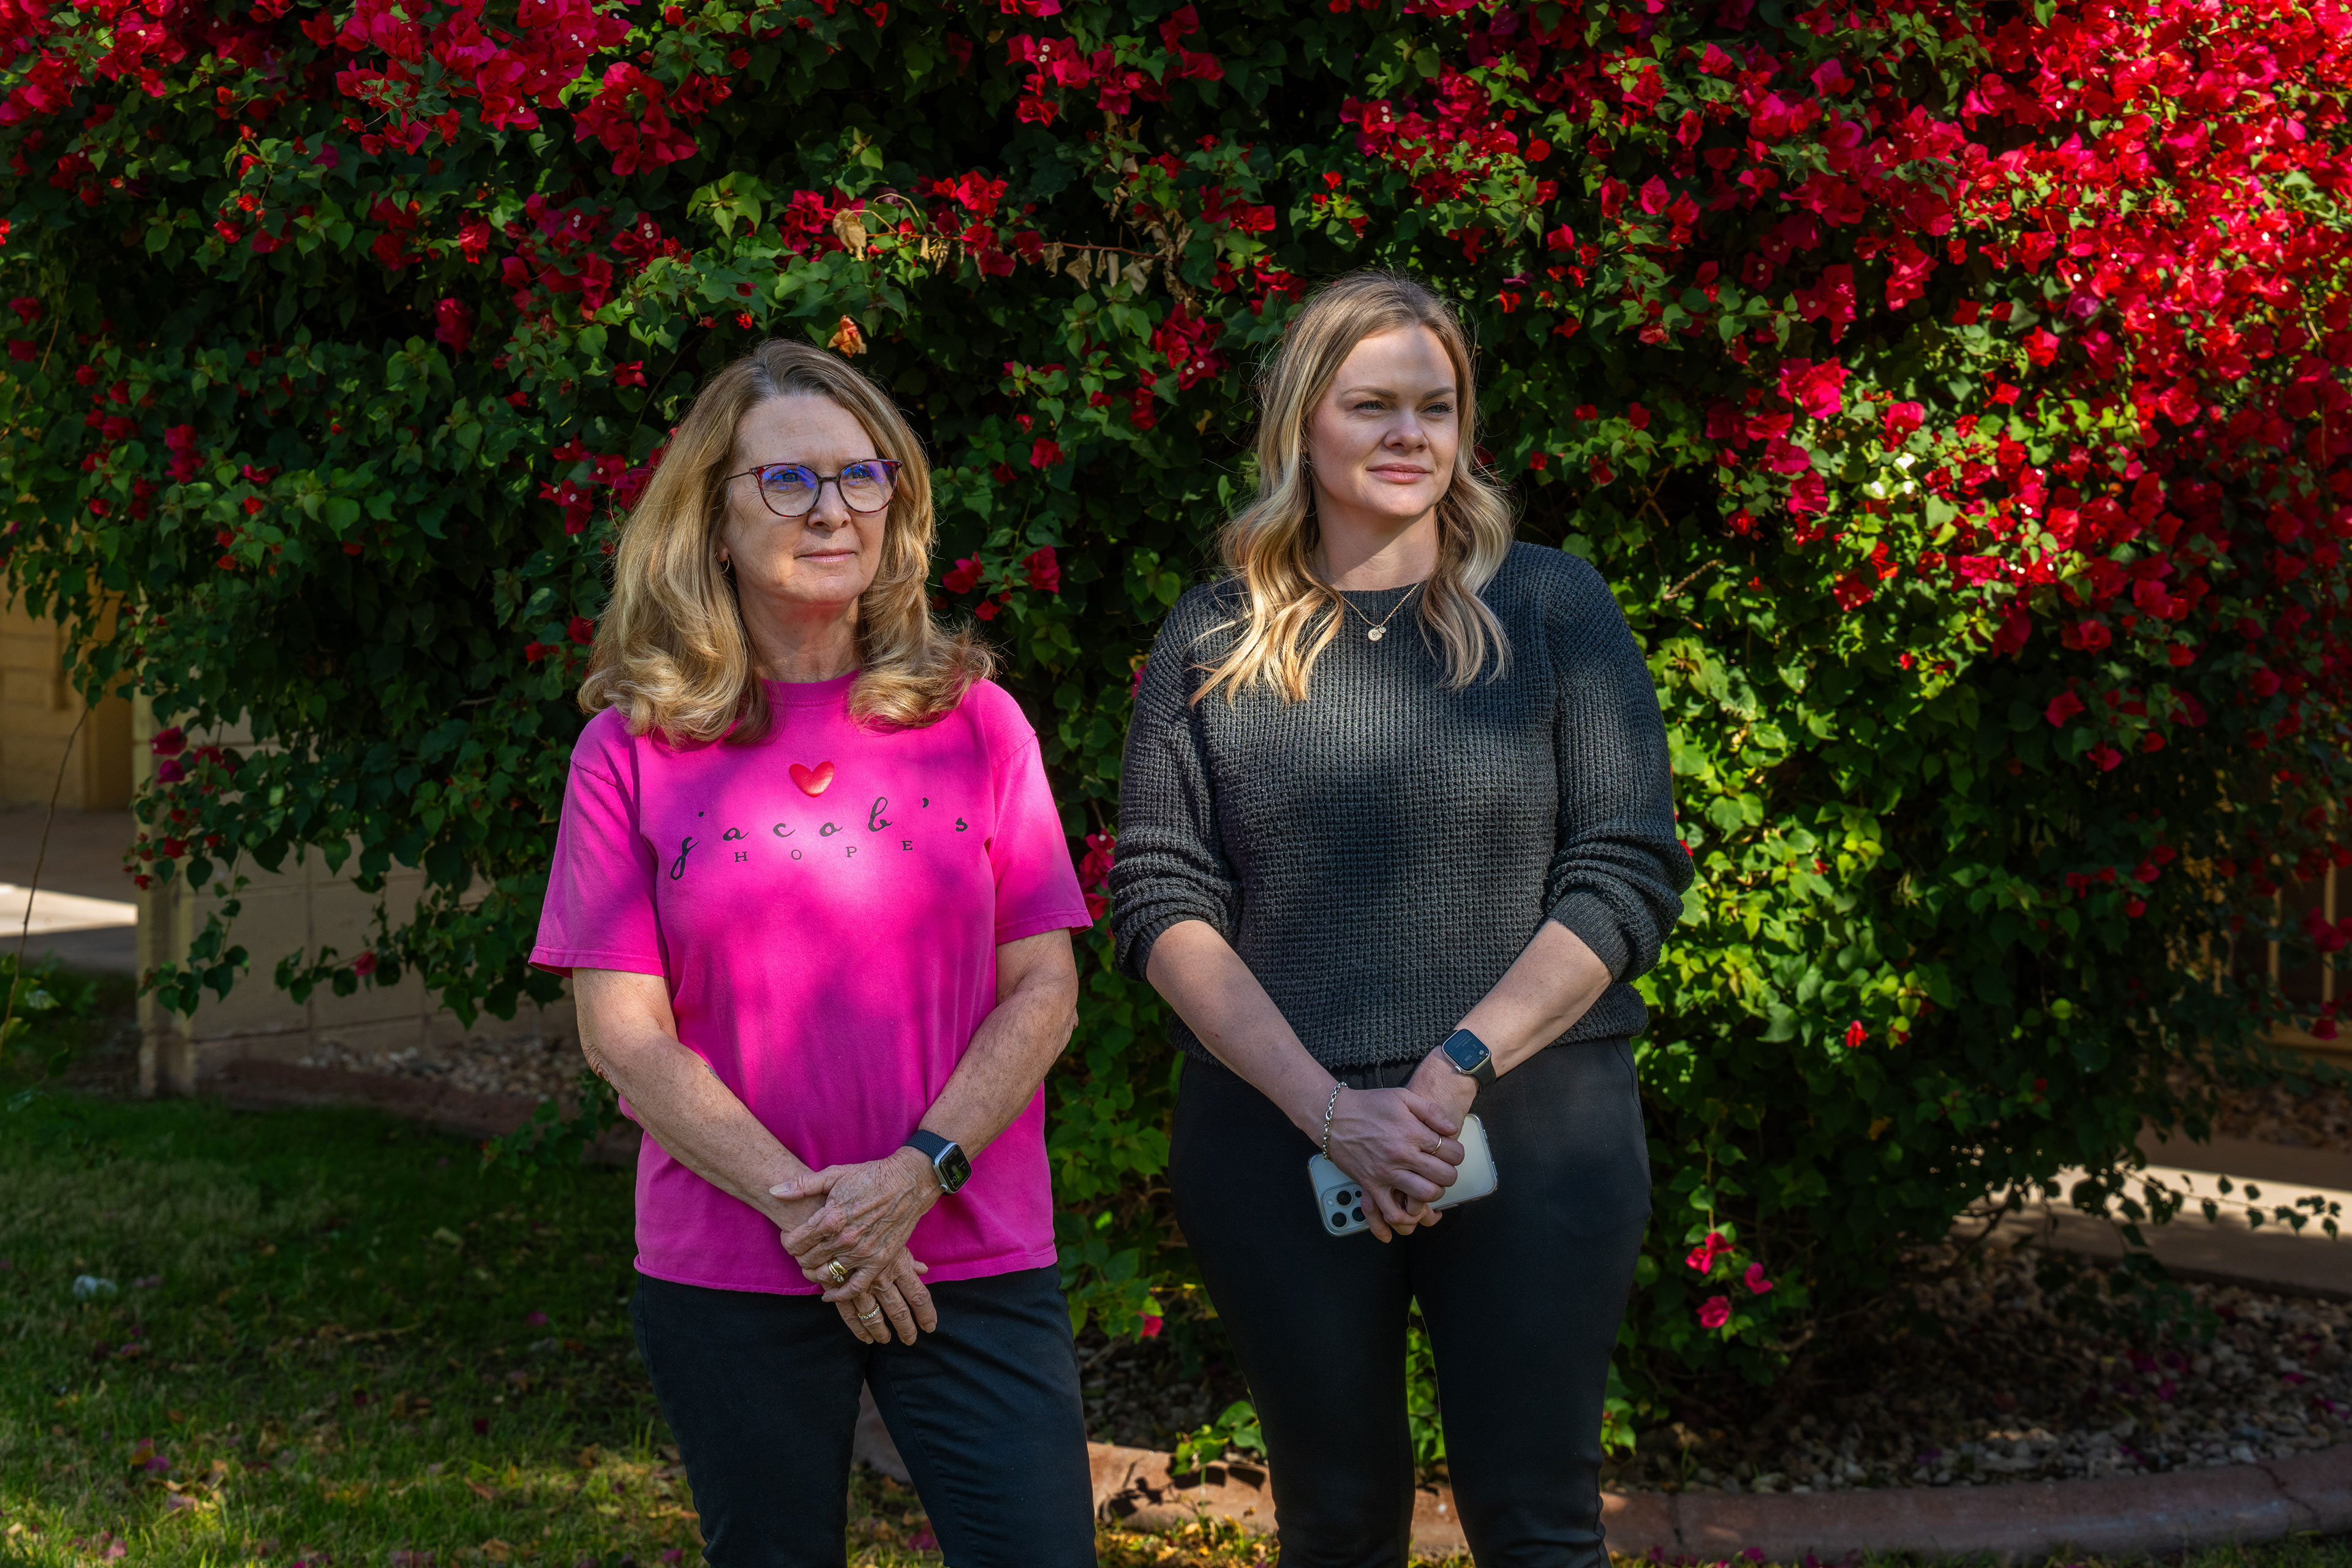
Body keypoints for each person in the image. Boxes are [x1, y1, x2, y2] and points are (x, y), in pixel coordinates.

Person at [1108, 270, 1692, 1568]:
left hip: (1538, 1121)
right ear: (1302, 424)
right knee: (1335, 1520)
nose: (1408, 435)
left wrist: (1451, 1071)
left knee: (1539, 1522)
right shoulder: (1215, 634)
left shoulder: (1550, 607)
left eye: (1436, 404)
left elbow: (1623, 866)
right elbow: (1160, 893)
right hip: (1275, 1133)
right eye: (1372, 404)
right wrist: (1330, 1107)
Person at [531, 338, 1099, 1568]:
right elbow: (621, 1032)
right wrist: (821, 1218)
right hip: (734, 1265)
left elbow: (1045, 988)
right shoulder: (630, 751)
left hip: (972, 1245)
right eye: (788, 481)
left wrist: (914, 1175)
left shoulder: (977, 722)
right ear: (715, 521)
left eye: (863, 475)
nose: (834, 508)